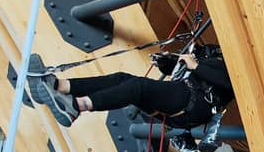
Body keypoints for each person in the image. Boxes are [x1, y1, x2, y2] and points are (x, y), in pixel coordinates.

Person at [27, 45, 234, 130]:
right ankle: (59, 86)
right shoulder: (209, 61)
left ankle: (76, 106)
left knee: (138, 87)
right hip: (185, 96)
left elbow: (227, 82)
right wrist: (166, 63)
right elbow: (185, 72)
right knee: (122, 79)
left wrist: (196, 66)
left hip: (193, 104)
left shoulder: (234, 70)